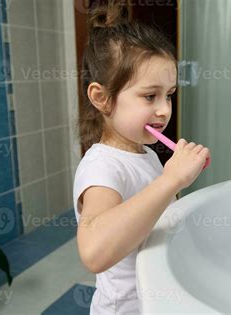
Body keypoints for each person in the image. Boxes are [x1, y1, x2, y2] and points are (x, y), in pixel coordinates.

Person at [72, 1, 211, 314]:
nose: (164, 109)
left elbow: (154, 218)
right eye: (150, 96)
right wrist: (171, 179)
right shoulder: (102, 167)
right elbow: (94, 252)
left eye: (169, 95)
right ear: (101, 98)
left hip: (156, 298)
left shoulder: (145, 153)